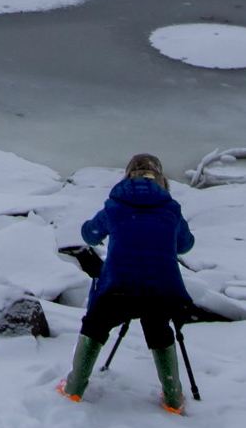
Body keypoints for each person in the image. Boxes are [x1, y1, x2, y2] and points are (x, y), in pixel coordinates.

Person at [57, 153, 194, 413]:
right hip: (162, 288)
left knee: (95, 326)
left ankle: (74, 388)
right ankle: (173, 399)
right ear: (162, 181)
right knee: (159, 331)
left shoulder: (116, 205)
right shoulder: (170, 209)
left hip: (119, 284)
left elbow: (89, 233)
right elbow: (185, 245)